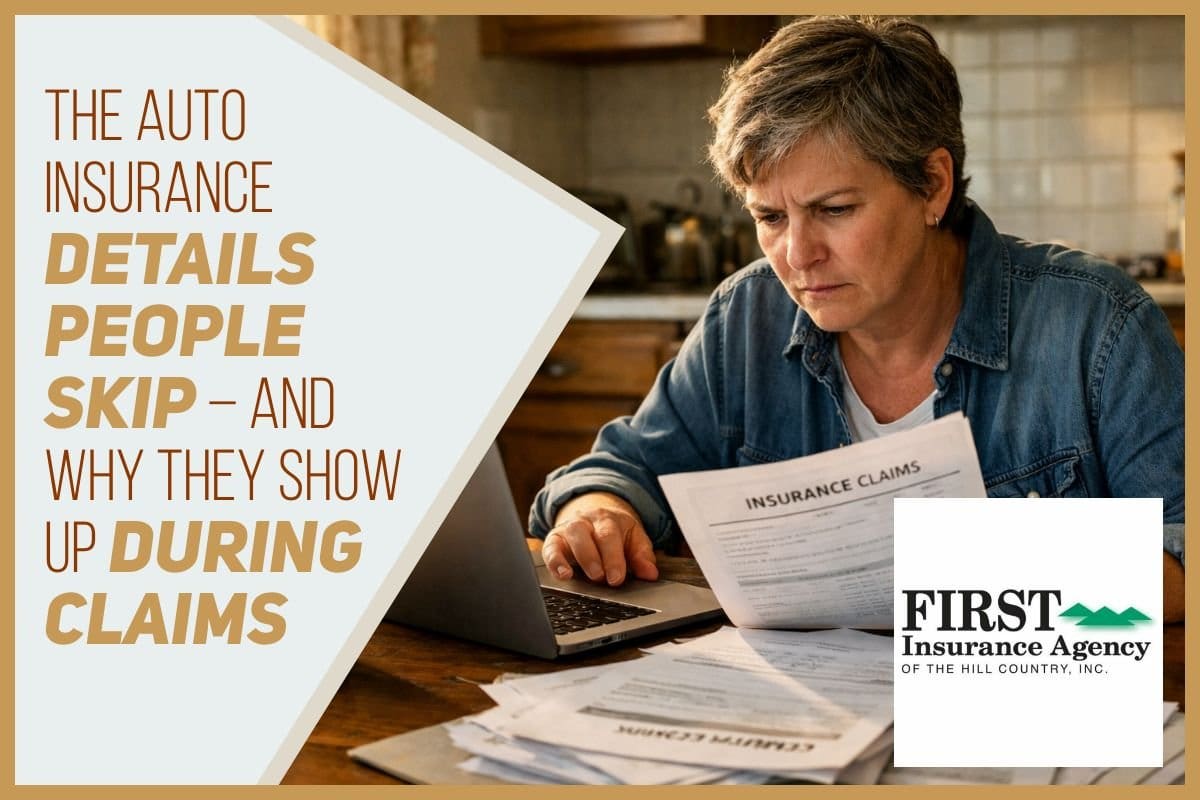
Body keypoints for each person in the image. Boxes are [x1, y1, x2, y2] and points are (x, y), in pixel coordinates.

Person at [528, 16, 1185, 620]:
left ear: (933, 184)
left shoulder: (1097, 325)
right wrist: (598, 512)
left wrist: (969, 578)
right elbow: (622, 471)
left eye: (835, 209)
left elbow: (1182, 553)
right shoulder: (746, 318)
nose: (798, 255)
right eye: (770, 217)